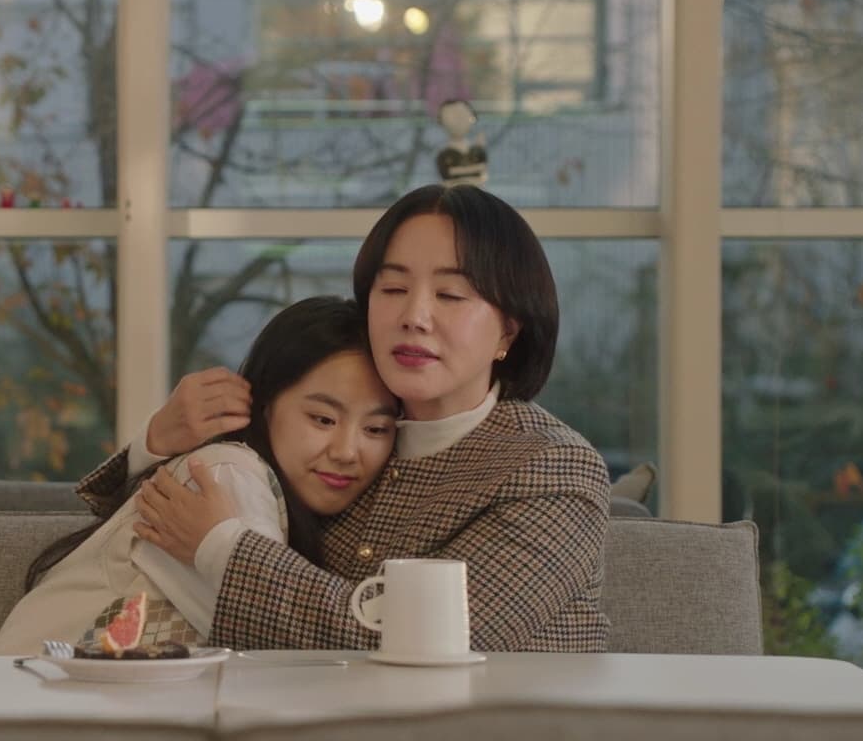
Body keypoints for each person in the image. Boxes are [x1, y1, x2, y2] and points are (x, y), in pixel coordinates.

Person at [84, 183, 611, 652]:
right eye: (393, 289)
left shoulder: (551, 468)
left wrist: (220, 547)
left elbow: (438, 642)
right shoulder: (343, 436)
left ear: (508, 332)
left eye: (450, 294)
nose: (414, 316)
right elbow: (117, 544)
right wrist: (159, 443)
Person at [0, 296, 397, 655]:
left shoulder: (289, 498)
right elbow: (286, 651)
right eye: (323, 419)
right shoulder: (223, 476)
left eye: (376, 429)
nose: (346, 452)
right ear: (263, 404)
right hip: (28, 703)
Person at [434, 99, 488, 187]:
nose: (458, 120)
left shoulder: (476, 150)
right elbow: (447, 174)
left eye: (462, 114)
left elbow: (482, 171)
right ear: (441, 121)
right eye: (452, 116)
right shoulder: (444, 153)